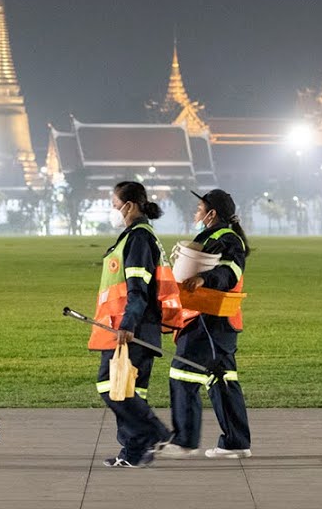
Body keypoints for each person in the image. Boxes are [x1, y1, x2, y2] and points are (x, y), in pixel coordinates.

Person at [156, 188, 253, 459]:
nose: (195, 213)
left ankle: (185, 440)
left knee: (183, 372)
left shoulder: (225, 238)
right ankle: (235, 443)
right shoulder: (214, 236)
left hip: (208, 319)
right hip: (220, 322)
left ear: (211, 213)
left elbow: (230, 271)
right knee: (222, 379)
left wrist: (204, 280)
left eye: (199, 209)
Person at [89, 181, 174, 468]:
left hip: (130, 328)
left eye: (115, 204)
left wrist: (128, 324)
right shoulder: (138, 235)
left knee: (110, 385)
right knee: (130, 391)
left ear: (130, 205)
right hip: (135, 327)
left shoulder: (138, 238)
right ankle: (133, 453)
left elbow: (138, 288)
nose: (114, 210)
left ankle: (157, 433)